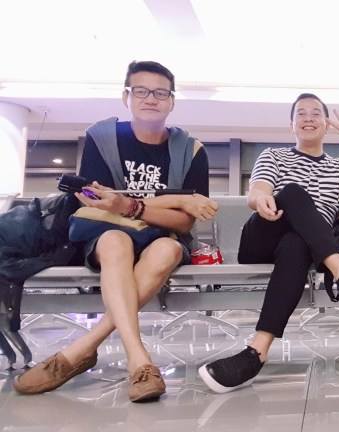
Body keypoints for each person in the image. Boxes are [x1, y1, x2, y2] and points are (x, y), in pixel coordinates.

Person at [14, 60, 218, 402]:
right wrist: (170, 201)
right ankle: (140, 360)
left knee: (168, 249)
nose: (150, 98)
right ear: (127, 97)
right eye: (141, 91)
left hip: (163, 237)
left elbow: (184, 222)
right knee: (115, 240)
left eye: (160, 93)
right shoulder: (102, 136)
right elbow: (96, 202)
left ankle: (82, 348)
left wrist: (128, 204)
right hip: (105, 234)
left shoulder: (191, 150)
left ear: (171, 101)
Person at [198, 93, 339, 394]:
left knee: (297, 243)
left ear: (327, 125)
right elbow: (257, 191)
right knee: (292, 192)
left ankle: (256, 354)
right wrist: (261, 200)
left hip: (304, 246)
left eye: (316, 113)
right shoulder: (274, 156)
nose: (308, 118)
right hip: (263, 234)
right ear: (291, 125)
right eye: (301, 114)